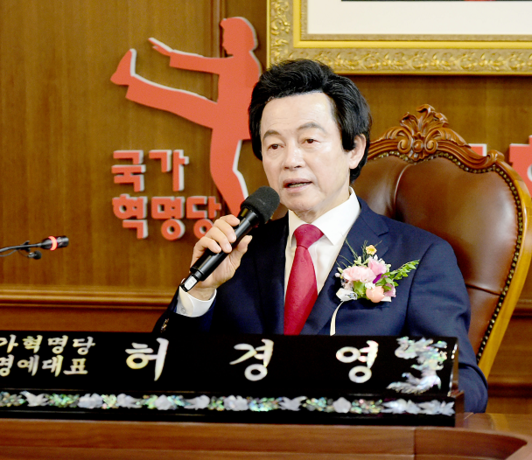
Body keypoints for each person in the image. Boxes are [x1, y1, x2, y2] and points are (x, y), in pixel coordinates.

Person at [153, 59, 488, 413]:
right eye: (274, 146)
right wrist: (201, 292)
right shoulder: (239, 253)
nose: (290, 160)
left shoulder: (420, 257)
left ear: (354, 149)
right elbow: (161, 372)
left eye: (309, 140)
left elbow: (464, 385)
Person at [111, 17, 262, 215]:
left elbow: (204, 64)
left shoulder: (242, 63)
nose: (223, 42)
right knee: (221, 170)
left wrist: (171, 55)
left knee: (179, 101)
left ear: (239, 39)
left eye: (227, 37)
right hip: (227, 119)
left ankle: (130, 81)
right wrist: (171, 56)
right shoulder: (241, 62)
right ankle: (244, 217)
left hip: (232, 120)